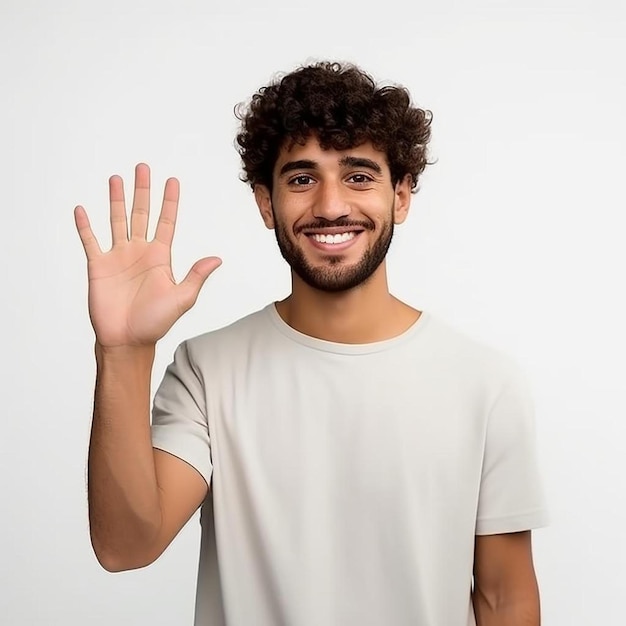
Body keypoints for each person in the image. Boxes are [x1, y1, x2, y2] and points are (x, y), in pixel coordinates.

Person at [75, 61, 548, 626]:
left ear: (401, 196)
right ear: (266, 203)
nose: (329, 205)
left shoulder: (485, 384)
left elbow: (505, 598)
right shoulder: (207, 371)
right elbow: (127, 546)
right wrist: (124, 353)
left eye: (359, 176)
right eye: (301, 178)